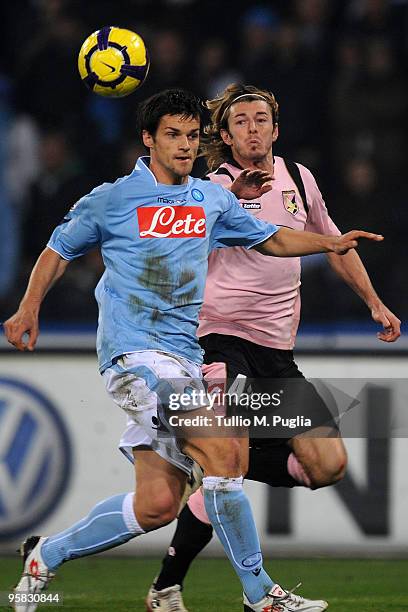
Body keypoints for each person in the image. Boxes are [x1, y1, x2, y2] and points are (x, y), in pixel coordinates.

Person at [4, 88, 384, 612]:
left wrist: (329, 242)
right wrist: (28, 309)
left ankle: (45, 554)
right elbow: (57, 250)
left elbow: (271, 238)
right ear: (148, 139)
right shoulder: (112, 198)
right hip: (135, 357)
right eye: (172, 135)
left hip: (184, 357)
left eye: (191, 136)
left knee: (157, 506)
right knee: (226, 451)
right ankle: (260, 595)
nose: (185, 146)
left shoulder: (211, 200)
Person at [145, 84, 401, 612]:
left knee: (325, 466)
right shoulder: (207, 186)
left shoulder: (300, 180)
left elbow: (335, 243)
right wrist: (233, 198)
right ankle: (225, 588)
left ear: (275, 129)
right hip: (220, 338)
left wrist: (375, 303)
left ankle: (212, 467)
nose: (253, 129)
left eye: (262, 119)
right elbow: (178, 248)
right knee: (229, 465)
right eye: (241, 121)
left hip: (276, 351)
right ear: (225, 133)